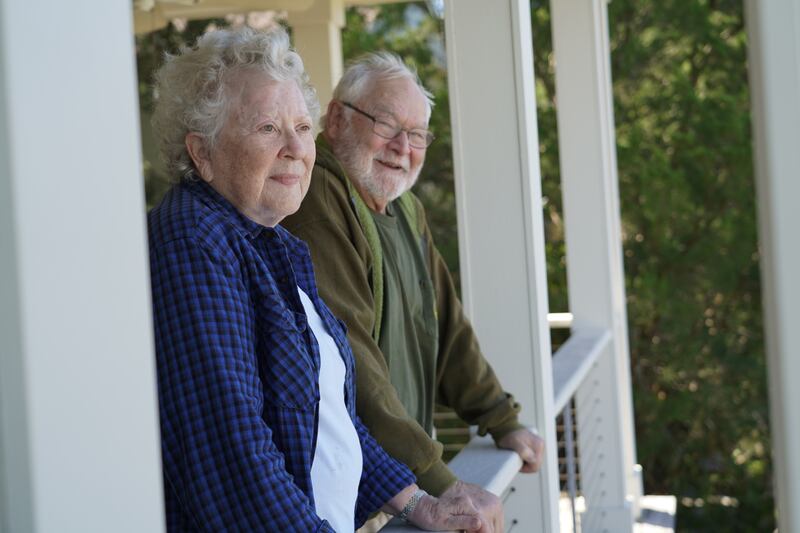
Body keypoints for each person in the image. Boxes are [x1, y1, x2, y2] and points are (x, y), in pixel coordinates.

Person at [147, 26, 486, 532]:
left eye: (302, 128)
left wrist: (418, 503)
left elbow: (327, 419)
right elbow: (233, 459)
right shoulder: (195, 243)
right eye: (267, 128)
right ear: (203, 152)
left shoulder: (273, 243)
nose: (295, 149)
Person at [282, 52, 546, 530]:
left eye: (418, 134)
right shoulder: (318, 198)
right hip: (351, 492)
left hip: (395, 478)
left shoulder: (405, 209)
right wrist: (437, 479)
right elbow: (350, 360)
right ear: (338, 119)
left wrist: (500, 417)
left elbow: (446, 326)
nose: (404, 146)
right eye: (387, 125)